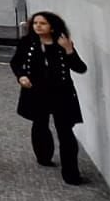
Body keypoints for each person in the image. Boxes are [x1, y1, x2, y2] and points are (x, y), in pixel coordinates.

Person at [12, 11, 90, 184]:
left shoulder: (62, 43)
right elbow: (16, 62)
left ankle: (71, 174)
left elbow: (80, 68)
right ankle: (44, 156)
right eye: (35, 23)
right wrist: (21, 76)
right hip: (36, 91)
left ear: (52, 27)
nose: (38, 26)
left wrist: (69, 50)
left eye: (43, 23)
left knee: (65, 132)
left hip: (61, 93)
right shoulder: (27, 43)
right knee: (40, 124)